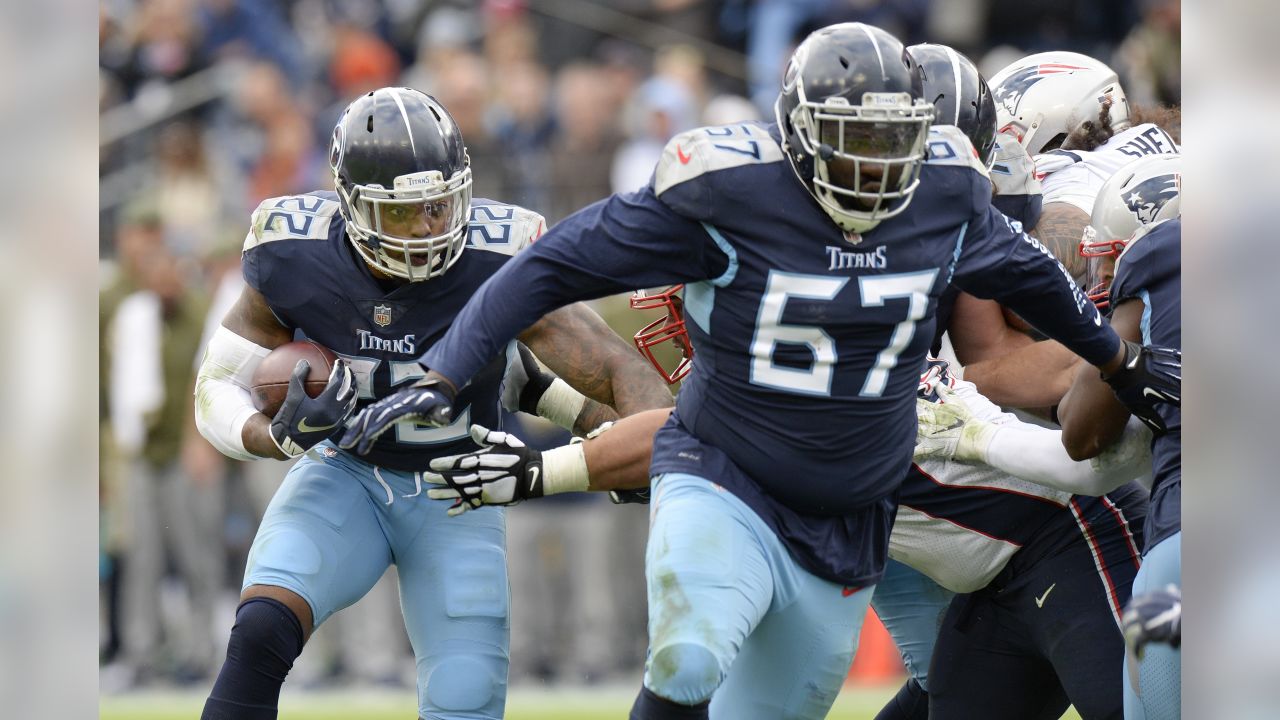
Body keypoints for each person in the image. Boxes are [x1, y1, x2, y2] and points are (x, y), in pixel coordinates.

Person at [340, 25, 1177, 720]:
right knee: (688, 650)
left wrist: (1117, 360)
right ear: (799, 136)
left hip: (885, 528)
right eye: (853, 145)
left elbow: (1035, 289)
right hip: (744, 485)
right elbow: (552, 264)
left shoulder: (949, 205)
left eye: (893, 143)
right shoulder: (729, 192)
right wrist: (448, 372)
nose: (876, 167)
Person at [192, 86, 673, 720]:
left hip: (459, 491)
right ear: (351, 204)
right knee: (259, 632)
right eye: (402, 213)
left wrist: (641, 455)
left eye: (441, 207)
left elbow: (612, 371)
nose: (427, 228)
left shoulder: (499, 254)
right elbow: (215, 385)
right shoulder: (292, 249)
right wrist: (272, 435)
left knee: (465, 701)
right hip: (347, 476)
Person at [954, 51, 1181, 410]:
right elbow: (994, 354)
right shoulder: (1148, 149)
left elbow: (1020, 288)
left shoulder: (1075, 168)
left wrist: (967, 219)